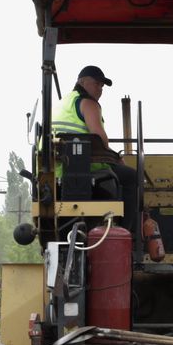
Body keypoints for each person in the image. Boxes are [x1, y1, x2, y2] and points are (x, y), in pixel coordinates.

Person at [52, 65, 139, 235]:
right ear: (82, 82)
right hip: (84, 166)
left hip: (55, 169)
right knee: (131, 177)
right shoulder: (88, 103)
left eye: (102, 86)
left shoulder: (62, 103)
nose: (100, 89)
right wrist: (116, 158)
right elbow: (100, 139)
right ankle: (126, 233)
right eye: (97, 84)